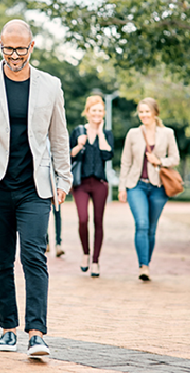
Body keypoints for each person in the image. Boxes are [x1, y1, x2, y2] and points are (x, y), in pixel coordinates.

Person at [0, 19, 72, 357]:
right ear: (0, 45)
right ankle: (8, 328)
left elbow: (58, 136)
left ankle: (36, 333)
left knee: (34, 256)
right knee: (1, 260)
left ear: (32, 47)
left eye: (21, 49)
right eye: (8, 48)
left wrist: (63, 180)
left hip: (35, 186)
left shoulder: (50, 85)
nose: (14, 55)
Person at [118, 97, 180, 281]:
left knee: (152, 228)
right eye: (141, 112)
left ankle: (147, 262)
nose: (144, 115)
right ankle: (143, 266)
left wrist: (159, 161)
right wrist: (122, 187)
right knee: (142, 224)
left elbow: (175, 159)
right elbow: (125, 162)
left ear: (155, 113)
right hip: (136, 185)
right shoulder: (133, 134)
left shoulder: (167, 133)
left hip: (159, 187)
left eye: (147, 111)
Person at [69, 95, 114, 277]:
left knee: (98, 221)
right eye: (94, 110)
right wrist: (80, 145)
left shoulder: (107, 133)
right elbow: (69, 155)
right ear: (87, 112)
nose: (97, 114)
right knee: (82, 219)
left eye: (100, 111)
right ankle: (85, 253)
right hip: (81, 183)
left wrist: (101, 133)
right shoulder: (78, 131)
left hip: (100, 184)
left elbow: (108, 155)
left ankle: (95, 261)